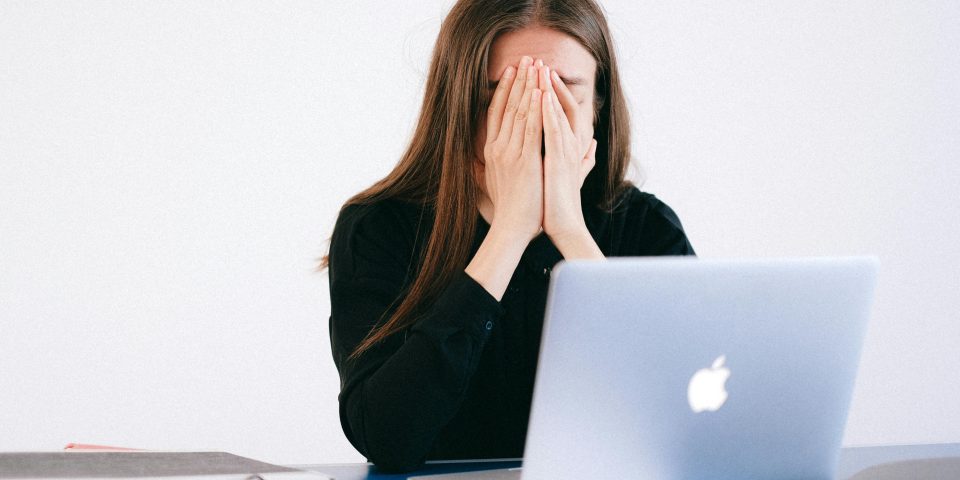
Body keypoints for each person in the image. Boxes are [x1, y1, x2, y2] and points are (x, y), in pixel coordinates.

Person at [315, 0, 696, 473]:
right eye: (505, 95)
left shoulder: (647, 228)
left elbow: (685, 417)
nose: (534, 118)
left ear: (598, 104)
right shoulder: (378, 228)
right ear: (459, 105)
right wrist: (509, 232)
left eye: (562, 94)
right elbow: (388, 437)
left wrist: (569, 230)